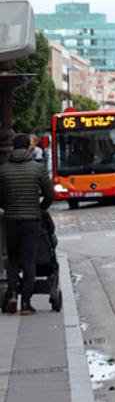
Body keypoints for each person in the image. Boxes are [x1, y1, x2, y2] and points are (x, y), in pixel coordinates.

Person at [0, 135, 55, 315]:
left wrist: (7, 207)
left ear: (13, 148)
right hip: (31, 221)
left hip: (11, 222)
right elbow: (49, 194)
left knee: (13, 259)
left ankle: (13, 294)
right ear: (29, 148)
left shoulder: (3, 170)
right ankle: (26, 303)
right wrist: (41, 209)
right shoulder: (37, 168)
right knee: (29, 261)